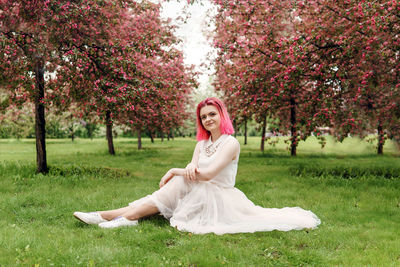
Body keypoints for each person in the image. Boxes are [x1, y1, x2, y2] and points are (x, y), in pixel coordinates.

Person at [73, 97, 321, 234]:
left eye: (212, 114)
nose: (208, 119)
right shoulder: (201, 143)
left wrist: (173, 170)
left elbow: (208, 174)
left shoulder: (231, 143)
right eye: (204, 117)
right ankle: (119, 216)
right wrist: (184, 171)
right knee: (175, 186)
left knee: (178, 180)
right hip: (196, 190)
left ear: (221, 116)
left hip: (219, 196)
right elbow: (193, 169)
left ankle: (114, 216)